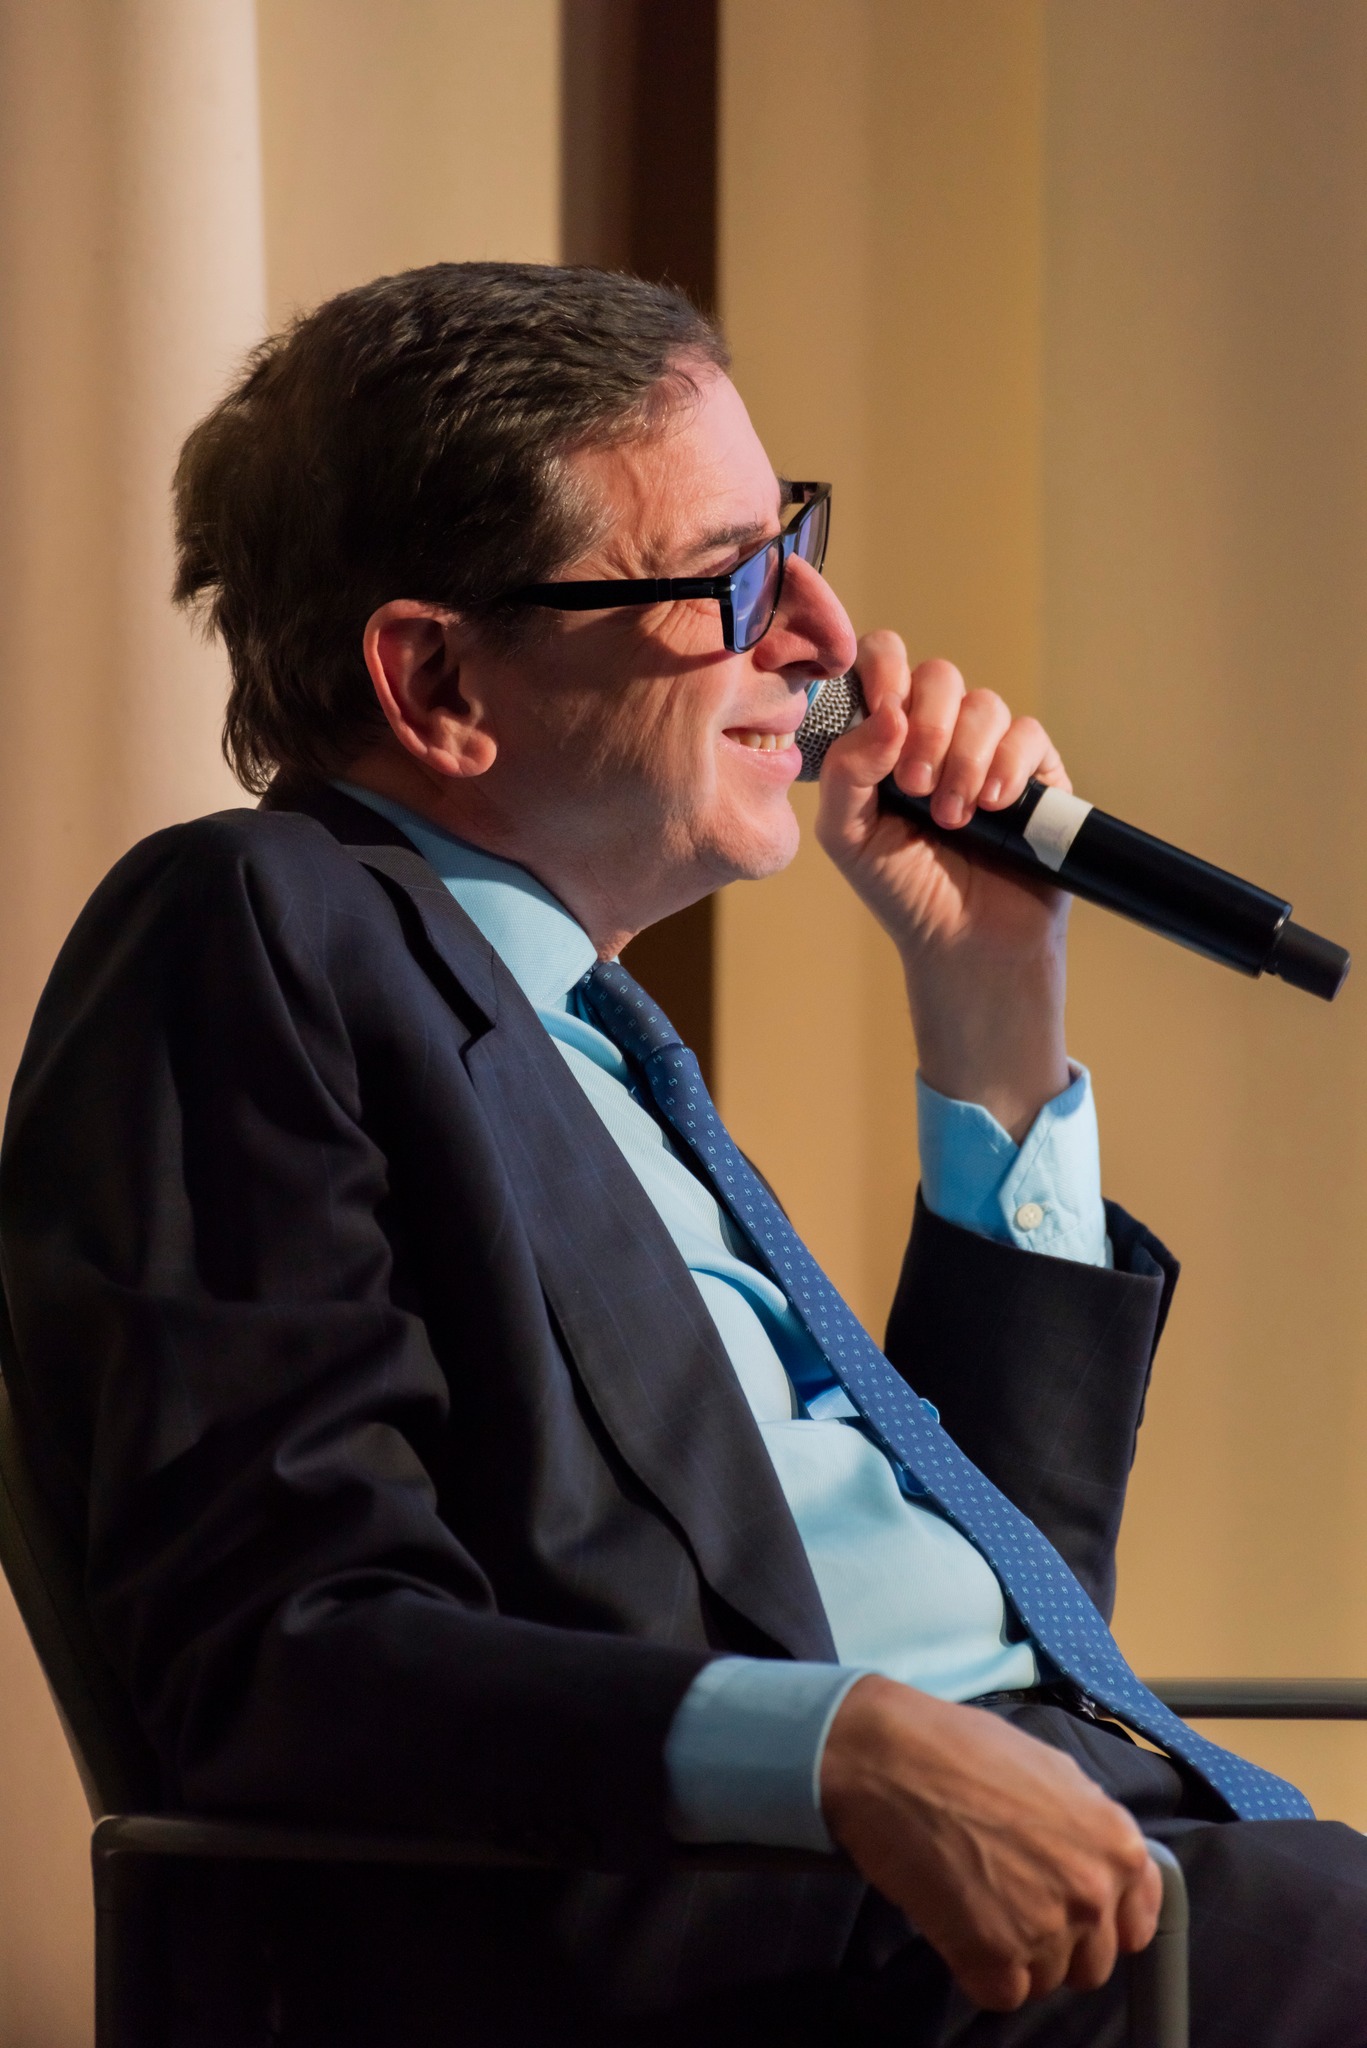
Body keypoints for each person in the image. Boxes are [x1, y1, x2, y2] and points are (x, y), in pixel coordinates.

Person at [1, 262, 1363, 2047]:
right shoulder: (255, 925)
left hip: (1094, 1889)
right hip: (745, 1965)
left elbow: (1018, 1626)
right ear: (436, 680)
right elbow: (284, 1651)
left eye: (793, 537)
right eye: (728, 578)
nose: (824, 635)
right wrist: (836, 1747)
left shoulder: (595, 1048)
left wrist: (992, 1006)